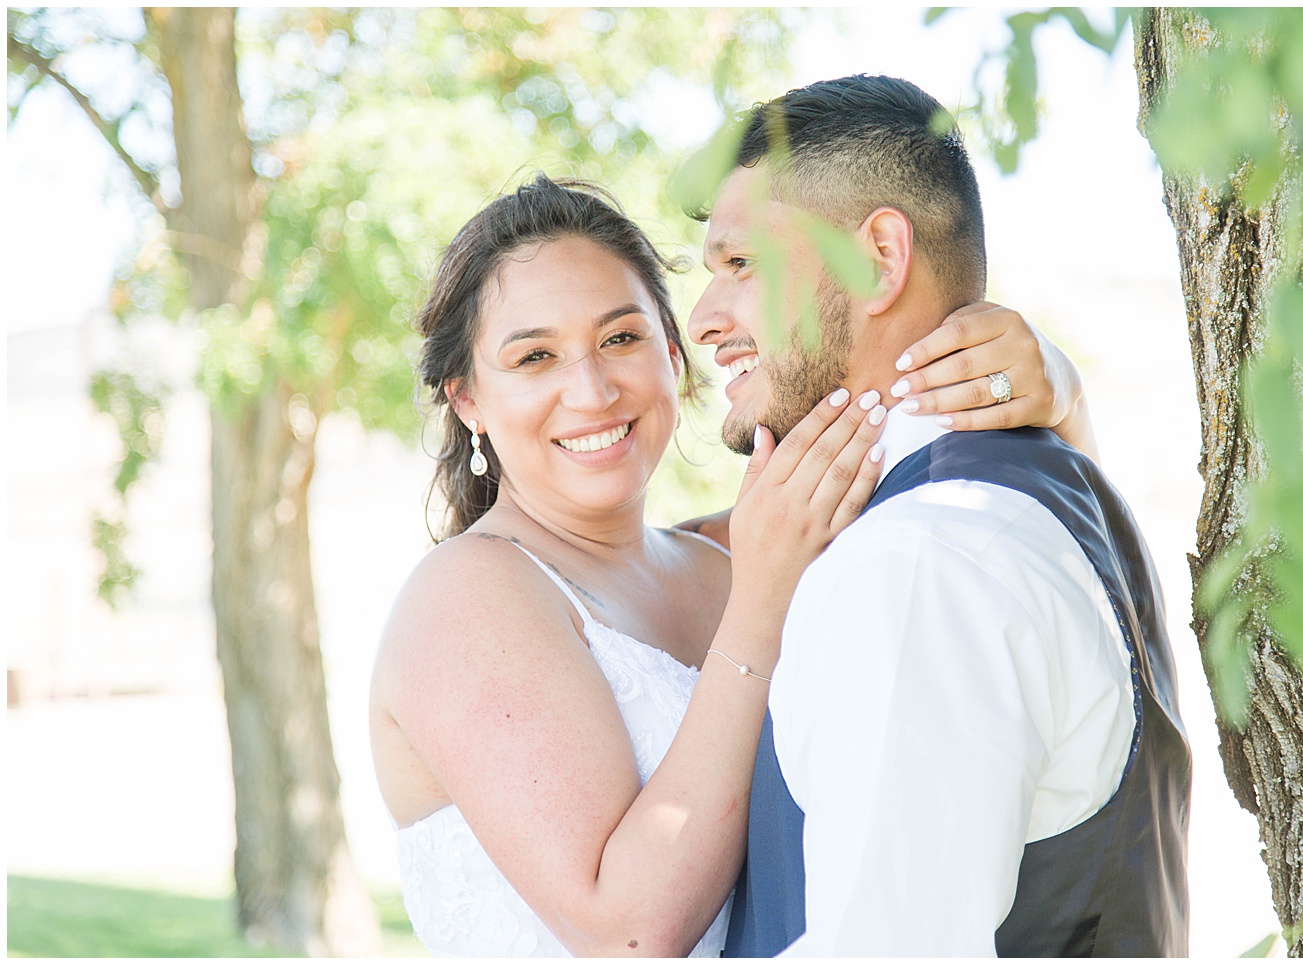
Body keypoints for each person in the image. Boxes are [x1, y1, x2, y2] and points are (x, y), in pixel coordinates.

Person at [369, 174, 1094, 956]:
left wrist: (1060, 393)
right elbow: (629, 937)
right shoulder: (467, 595)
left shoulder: (750, 542)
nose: (592, 389)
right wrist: (760, 610)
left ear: (675, 357)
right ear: (469, 399)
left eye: (621, 338)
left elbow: (1011, 560)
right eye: (535, 357)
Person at [686, 75, 1192, 957]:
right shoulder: (1053, 488)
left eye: (743, 265)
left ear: (880, 257)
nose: (702, 318)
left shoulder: (915, 565)